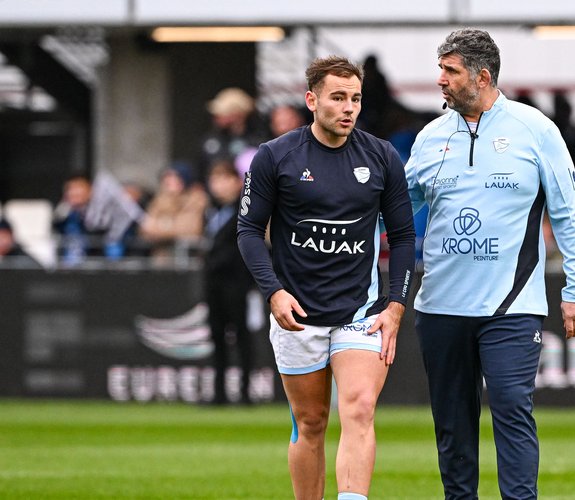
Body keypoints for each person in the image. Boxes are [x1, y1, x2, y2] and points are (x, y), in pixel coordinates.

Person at [405, 29, 575, 500]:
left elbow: (568, 212)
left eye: (450, 71)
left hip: (511, 307)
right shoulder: (430, 138)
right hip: (440, 307)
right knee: (452, 425)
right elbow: (397, 213)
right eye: (441, 69)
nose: (440, 80)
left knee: (512, 408)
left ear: (482, 76)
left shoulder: (536, 129)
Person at [237, 56, 415, 500]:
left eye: (355, 98)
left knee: (358, 408)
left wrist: (396, 305)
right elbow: (248, 230)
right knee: (311, 422)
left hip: (363, 309)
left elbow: (405, 235)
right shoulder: (275, 156)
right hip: (298, 313)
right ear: (311, 100)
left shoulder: (381, 155)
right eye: (338, 97)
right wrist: (273, 292)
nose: (348, 107)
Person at [204, 160, 255, 405]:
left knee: (241, 336)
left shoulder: (243, 209)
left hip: (236, 281)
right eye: (214, 180)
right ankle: (219, 393)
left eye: (223, 179)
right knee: (216, 336)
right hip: (213, 282)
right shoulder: (211, 210)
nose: (218, 185)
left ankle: (245, 392)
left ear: (236, 182)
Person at [139, 163, 209, 264]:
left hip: (188, 259)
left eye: (175, 178)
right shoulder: (159, 201)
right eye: (167, 178)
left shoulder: (197, 199)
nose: (169, 182)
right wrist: (172, 226)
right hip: (162, 258)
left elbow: (190, 229)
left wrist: (162, 226)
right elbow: (146, 227)